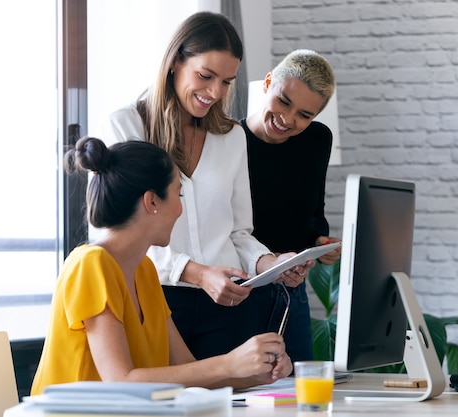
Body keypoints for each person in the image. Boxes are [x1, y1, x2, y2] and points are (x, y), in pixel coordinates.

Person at [98, 11, 312, 360]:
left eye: (227, 81)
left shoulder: (231, 137)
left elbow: (238, 233)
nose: (215, 92)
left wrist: (272, 264)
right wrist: (195, 273)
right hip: (154, 299)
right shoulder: (125, 127)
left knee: (231, 409)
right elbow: (116, 236)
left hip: (229, 307)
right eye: (205, 75)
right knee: (164, 407)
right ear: (174, 62)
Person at [30, 137, 292, 395]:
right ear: (152, 201)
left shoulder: (144, 270)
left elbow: (187, 370)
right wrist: (229, 363)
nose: (180, 209)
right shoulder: (90, 264)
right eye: (178, 194)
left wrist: (257, 373)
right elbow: (119, 381)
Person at [240, 49, 343, 362]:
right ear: (268, 82)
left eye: (305, 115)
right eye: (284, 101)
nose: (288, 119)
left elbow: (313, 213)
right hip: (240, 290)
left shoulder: (317, 140)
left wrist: (320, 243)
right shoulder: (229, 141)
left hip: (291, 293)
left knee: (299, 397)